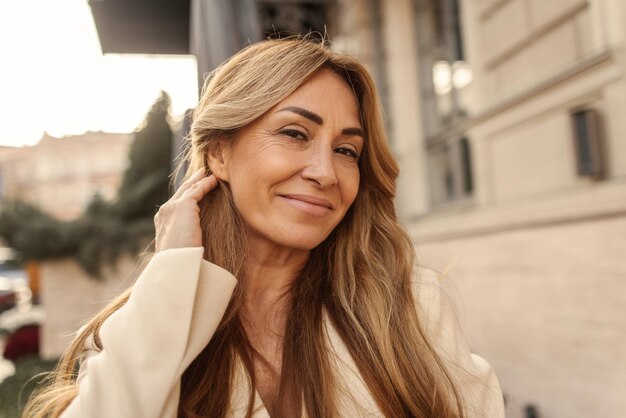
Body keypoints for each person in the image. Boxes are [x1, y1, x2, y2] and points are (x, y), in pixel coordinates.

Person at [23, 38, 504, 418]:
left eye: (346, 150)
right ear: (218, 153)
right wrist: (171, 270)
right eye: (295, 134)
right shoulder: (145, 322)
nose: (326, 172)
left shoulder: (406, 308)